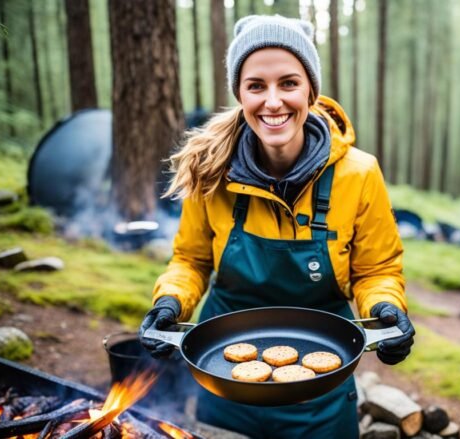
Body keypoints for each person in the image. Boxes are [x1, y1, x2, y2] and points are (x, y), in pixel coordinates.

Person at [139, 15, 414, 439]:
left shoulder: (359, 174)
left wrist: (385, 311)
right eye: (256, 86)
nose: (272, 101)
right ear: (239, 94)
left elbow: (376, 270)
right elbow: (190, 260)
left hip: (322, 385)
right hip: (222, 373)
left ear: (311, 90)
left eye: (289, 83)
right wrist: (170, 303)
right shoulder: (210, 169)